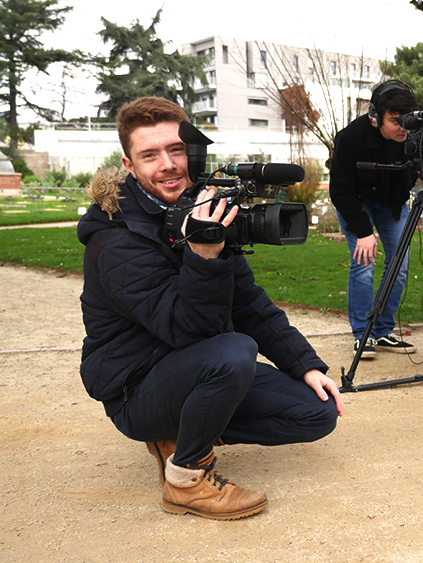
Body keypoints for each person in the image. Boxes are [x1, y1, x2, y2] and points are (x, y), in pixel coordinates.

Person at [77, 97, 342, 521]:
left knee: (316, 413)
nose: (167, 164)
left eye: (176, 150)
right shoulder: (116, 242)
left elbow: (250, 304)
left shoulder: (202, 208)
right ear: (130, 166)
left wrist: (305, 365)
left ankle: (181, 432)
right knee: (233, 349)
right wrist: (203, 255)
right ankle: (186, 479)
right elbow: (190, 332)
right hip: (137, 387)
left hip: (197, 368)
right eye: (150, 155)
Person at [329, 80, 419, 360]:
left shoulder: (413, 138)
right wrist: (364, 231)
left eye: (407, 119)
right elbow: (340, 191)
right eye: (395, 121)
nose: (403, 127)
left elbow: (412, 176)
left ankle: (381, 330)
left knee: (400, 265)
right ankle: (362, 334)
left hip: (390, 203)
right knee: (363, 261)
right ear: (375, 116)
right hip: (355, 201)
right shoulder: (350, 138)